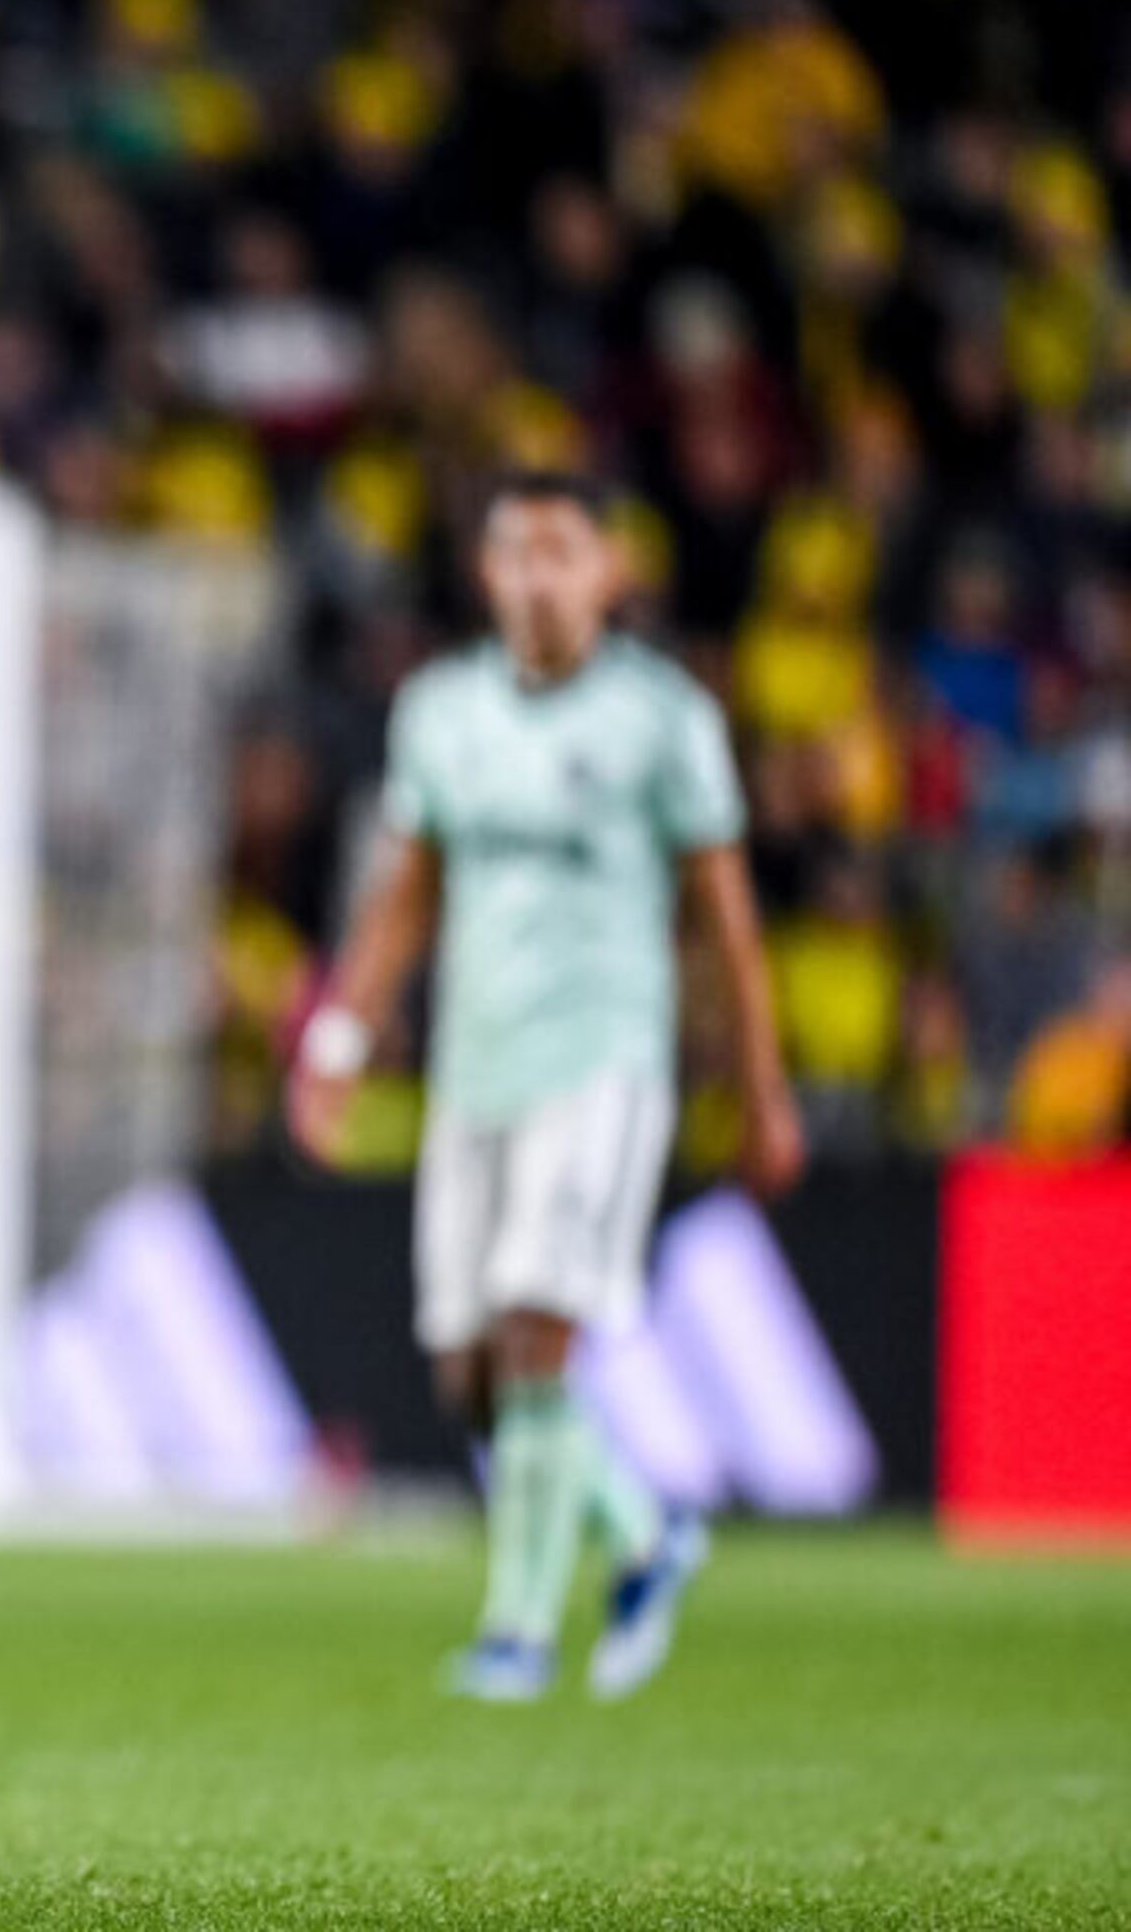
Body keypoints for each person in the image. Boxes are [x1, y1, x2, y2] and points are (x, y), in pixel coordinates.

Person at [289, 470, 805, 1704]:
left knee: (532, 1332)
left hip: (606, 1066)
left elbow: (726, 915)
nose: (537, 575)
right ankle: (642, 1530)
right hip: (478, 1073)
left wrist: (765, 1084)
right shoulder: (443, 710)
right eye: (515, 551)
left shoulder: (663, 717)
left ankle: (516, 1634)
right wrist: (338, 1043)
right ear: (486, 574)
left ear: (609, 571)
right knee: (469, 1377)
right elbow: (406, 890)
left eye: (562, 550)